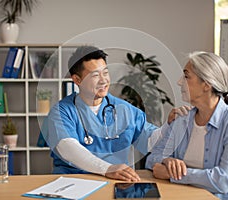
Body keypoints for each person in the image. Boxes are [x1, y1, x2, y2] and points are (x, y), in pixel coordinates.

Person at [42, 46, 188, 181]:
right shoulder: (62, 112)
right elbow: (67, 148)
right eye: (95, 75)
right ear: (77, 79)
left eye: (105, 72)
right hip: (74, 182)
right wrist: (107, 169)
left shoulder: (125, 110)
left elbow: (149, 142)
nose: (103, 80)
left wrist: (168, 125)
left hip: (118, 181)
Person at [145, 51, 228, 199]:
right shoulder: (182, 120)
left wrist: (174, 174)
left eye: (186, 76)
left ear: (206, 84)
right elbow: (151, 159)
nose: (180, 82)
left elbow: (223, 181)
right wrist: (166, 160)